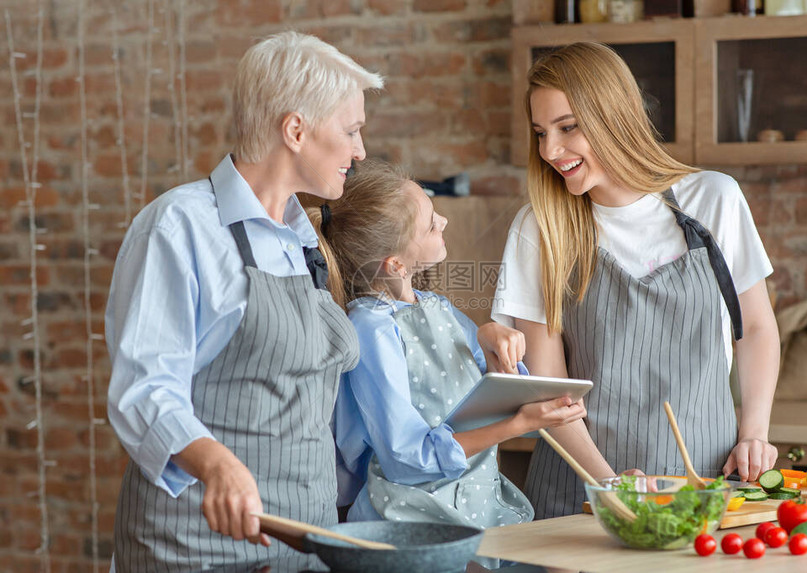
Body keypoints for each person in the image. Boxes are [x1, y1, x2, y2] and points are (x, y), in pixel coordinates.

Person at [105, 31, 383, 571]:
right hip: (198, 551)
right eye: (351, 131)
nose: (360, 151)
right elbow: (143, 388)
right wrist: (213, 462)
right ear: (296, 130)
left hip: (304, 543)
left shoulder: (303, 240)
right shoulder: (179, 226)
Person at [491, 42, 780, 519]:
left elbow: (756, 329)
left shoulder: (711, 200)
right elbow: (548, 385)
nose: (550, 151)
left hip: (702, 484)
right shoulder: (539, 227)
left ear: (615, 116)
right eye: (541, 132)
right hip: (580, 494)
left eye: (568, 128)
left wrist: (754, 432)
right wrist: (609, 486)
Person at [308, 159, 584, 531]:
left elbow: (489, 398)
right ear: (395, 265)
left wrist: (490, 343)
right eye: (431, 221)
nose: (444, 223)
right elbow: (406, 459)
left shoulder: (437, 307)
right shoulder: (371, 329)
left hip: (473, 507)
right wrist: (516, 424)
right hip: (410, 523)